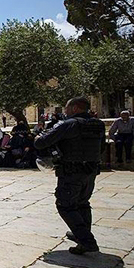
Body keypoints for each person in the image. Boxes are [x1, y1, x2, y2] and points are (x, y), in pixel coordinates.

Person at [35, 97, 106, 255]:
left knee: (65, 205)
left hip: (71, 171)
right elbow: (102, 147)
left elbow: (41, 142)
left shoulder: (70, 124)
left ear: (74, 108)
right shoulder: (98, 124)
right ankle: (80, 235)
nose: (65, 112)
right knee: (82, 203)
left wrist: (39, 138)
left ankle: (87, 241)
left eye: (66, 108)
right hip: (90, 169)